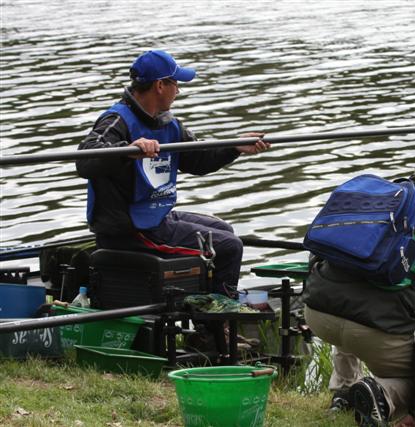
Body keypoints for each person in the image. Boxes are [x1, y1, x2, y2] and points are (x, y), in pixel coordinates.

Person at [76, 50, 270, 295]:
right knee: (229, 247)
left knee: (223, 230)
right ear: (160, 85)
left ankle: (200, 300)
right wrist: (127, 151)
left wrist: (234, 147)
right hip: (129, 229)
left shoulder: (169, 123)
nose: (178, 90)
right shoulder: (117, 120)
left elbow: (198, 160)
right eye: (176, 83)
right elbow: (85, 160)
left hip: (156, 216)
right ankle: (219, 313)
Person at [302, 152, 415, 426]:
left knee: (350, 287)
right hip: (371, 332)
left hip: (317, 313)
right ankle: (382, 395)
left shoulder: (373, 203)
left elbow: (320, 254)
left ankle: (344, 392)